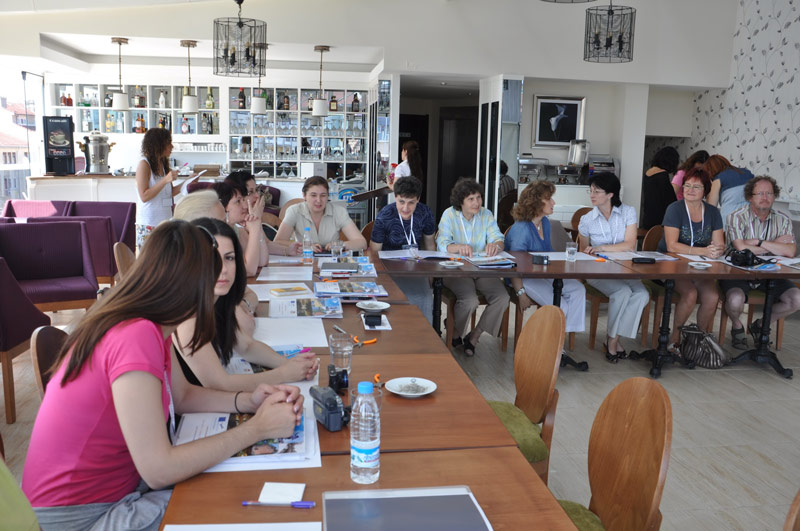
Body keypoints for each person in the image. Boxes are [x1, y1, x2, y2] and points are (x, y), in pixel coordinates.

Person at [22, 220, 303, 530]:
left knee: (228, 489)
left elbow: (183, 396)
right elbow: (159, 470)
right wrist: (257, 429)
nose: (213, 293)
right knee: (230, 501)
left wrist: (248, 401)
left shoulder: (151, 322)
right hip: (82, 517)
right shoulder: (136, 336)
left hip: (116, 489)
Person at [173, 217, 318, 390]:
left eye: (229, 258)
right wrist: (285, 374)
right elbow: (220, 384)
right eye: (212, 258)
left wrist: (289, 363)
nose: (223, 269)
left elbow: (247, 346)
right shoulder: (188, 315)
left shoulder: (220, 300)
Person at [721, 175, 800, 349]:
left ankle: (760, 325)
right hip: (738, 273)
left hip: (771, 273)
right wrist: (775, 245)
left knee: (797, 299)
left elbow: (790, 251)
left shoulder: (783, 219)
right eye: (760, 193)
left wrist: (758, 242)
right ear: (750, 197)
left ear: (774, 196)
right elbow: (741, 249)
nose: (765, 197)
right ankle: (737, 326)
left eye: (769, 193)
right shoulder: (736, 217)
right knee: (735, 300)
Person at [578, 173, 649, 362]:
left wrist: (601, 248)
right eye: (590, 191)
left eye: (597, 191)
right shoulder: (587, 219)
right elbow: (584, 251)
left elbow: (630, 245)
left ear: (610, 194)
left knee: (642, 294)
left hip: (625, 269)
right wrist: (592, 251)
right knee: (623, 292)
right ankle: (612, 341)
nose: (592, 195)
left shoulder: (628, 212)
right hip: (597, 271)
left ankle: (613, 337)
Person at [437, 177, 510, 356]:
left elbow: (498, 238)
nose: (476, 203)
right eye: (471, 199)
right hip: (457, 269)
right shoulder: (449, 215)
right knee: (470, 300)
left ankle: (475, 335)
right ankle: (455, 331)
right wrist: (457, 247)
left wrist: (496, 246)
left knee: (502, 297)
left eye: (478, 198)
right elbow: (442, 243)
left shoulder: (486, 214)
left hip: (481, 268)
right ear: (460, 202)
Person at [506, 180, 586, 339]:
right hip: (523, 278)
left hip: (543, 273)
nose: (553, 202)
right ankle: (554, 344)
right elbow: (513, 266)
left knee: (578, 290)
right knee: (560, 306)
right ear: (535, 202)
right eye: (548, 198)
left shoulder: (545, 223)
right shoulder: (521, 230)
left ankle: (560, 339)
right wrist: (520, 293)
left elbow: (549, 255)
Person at [658, 168, 725, 347]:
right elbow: (672, 246)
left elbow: (719, 244)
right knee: (690, 294)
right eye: (687, 185)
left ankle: (697, 340)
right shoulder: (674, 209)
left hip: (699, 267)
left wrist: (716, 251)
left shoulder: (713, 212)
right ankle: (674, 340)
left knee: (712, 297)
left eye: (696, 187)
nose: (690, 190)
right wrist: (704, 251)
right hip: (672, 265)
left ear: (705, 190)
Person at [370, 176, 436, 323]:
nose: (405, 208)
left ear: (418, 199)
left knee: (424, 296)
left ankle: (423, 334)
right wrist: (379, 278)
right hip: (389, 269)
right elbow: (374, 253)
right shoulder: (385, 215)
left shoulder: (425, 213)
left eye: (411, 202)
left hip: (416, 268)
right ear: (395, 197)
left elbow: (430, 245)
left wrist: (431, 276)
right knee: (393, 298)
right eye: (401, 202)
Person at [275, 176, 367, 252]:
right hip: (304, 260)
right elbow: (278, 241)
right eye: (313, 195)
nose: (318, 200)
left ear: (328, 196)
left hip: (331, 261)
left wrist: (340, 245)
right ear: (304, 195)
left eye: (323, 195)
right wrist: (304, 246)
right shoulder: (294, 211)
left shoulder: (339, 211)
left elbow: (362, 243)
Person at [134, 128, 183, 248]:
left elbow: (169, 193)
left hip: (166, 222)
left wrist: (188, 182)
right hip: (149, 224)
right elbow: (144, 196)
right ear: (159, 145)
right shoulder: (144, 165)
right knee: (150, 259)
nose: (172, 147)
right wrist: (165, 180)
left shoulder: (163, 164)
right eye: (169, 143)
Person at [214, 180, 268, 276]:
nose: (245, 206)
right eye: (238, 201)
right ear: (223, 206)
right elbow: (249, 270)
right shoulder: (217, 233)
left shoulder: (236, 229)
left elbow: (262, 261)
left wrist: (257, 223)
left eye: (243, 200)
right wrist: (254, 231)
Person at [704, 154, 755, 228]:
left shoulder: (718, 179)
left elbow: (711, 206)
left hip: (730, 220)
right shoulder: (747, 173)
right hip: (751, 216)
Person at [640, 146, 680, 230]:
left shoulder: (648, 172)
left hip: (648, 218)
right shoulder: (662, 175)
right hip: (659, 221)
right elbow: (670, 200)